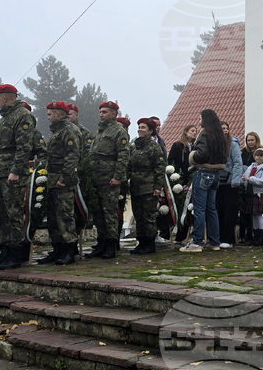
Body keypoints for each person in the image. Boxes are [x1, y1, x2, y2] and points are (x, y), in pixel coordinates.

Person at [0, 84, 37, 270]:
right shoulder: (4, 118)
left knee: (13, 214)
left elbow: (24, 147)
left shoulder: (22, 116)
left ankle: (15, 253)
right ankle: (4, 251)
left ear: (4, 98)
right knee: (2, 214)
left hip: (11, 173)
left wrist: (15, 170)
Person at [34, 101, 82, 266]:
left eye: (50, 114)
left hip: (62, 180)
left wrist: (64, 178)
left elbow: (72, 157)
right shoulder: (58, 131)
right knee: (53, 218)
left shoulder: (69, 131)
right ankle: (57, 249)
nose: (48, 117)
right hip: (52, 179)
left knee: (65, 216)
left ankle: (69, 250)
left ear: (58, 114)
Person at [84, 101, 129, 260]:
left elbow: (123, 156)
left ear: (113, 114)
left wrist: (117, 176)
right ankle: (101, 242)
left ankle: (111, 245)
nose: (101, 114)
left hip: (109, 178)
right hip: (96, 177)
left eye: (105, 112)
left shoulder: (118, 131)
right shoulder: (100, 130)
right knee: (97, 213)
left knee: (109, 212)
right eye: (101, 112)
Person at [181, 109, 228, 252]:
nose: (199, 120)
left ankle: (196, 242)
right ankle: (214, 242)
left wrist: (192, 156)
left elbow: (201, 155)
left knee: (199, 208)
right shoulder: (220, 136)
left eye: (200, 118)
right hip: (215, 174)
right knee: (211, 209)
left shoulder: (204, 134)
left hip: (203, 173)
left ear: (205, 119)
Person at [128, 118, 166, 255]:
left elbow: (160, 168)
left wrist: (157, 186)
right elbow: (130, 165)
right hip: (135, 186)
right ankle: (141, 242)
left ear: (150, 131)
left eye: (143, 127)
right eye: (139, 127)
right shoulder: (135, 147)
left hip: (148, 187)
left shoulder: (154, 147)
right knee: (138, 216)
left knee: (148, 216)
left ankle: (150, 244)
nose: (140, 129)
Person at [217, 121, 243, 248]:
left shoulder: (233, 144)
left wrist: (235, 180)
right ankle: (218, 237)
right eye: (222, 128)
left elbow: (238, 163)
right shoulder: (215, 144)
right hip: (218, 182)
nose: (225, 130)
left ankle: (228, 239)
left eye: (227, 128)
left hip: (230, 182)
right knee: (218, 210)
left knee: (229, 211)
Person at [168, 125, 195, 244]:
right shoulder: (178, 145)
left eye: (195, 131)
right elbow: (172, 161)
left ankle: (183, 234)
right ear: (186, 132)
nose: (194, 133)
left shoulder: (194, 147)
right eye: (192, 131)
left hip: (191, 180)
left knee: (188, 207)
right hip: (179, 179)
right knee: (178, 205)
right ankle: (172, 232)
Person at [242, 147, 263, 246]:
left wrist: (250, 179)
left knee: (258, 215)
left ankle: (261, 236)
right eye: (257, 155)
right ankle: (255, 235)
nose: (258, 157)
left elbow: (262, 182)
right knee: (253, 215)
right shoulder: (251, 167)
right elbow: (244, 177)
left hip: (258, 194)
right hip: (250, 193)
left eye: (261, 156)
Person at [238, 132, 262, 243]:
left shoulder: (261, 152)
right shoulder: (243, 153)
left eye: (252, 140)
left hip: (255, 186)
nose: (250, 142)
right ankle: (243, 234)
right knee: (244, 211)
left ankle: (255, 234)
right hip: (245, 184)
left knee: (255, 213)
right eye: (248, 140)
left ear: (256, 140)